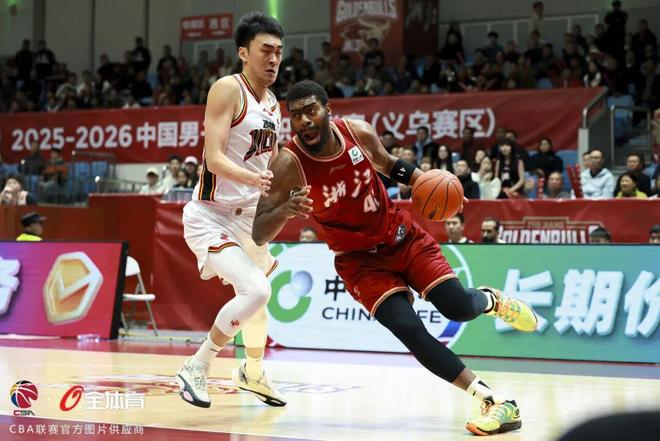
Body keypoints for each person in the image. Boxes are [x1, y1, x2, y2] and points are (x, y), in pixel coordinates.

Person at [252, 80, 538, 436]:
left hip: (401, 238)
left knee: (459, 307)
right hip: (358, 262)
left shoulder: (357, 133)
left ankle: (491, 300)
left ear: (328, 110)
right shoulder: (288, 164)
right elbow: (258, 231)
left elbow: (389, 164)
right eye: (296, 115)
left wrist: (437, 185)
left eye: (311, 110)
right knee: (409, 330)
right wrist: (286, 210)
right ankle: (493, 400)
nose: (304, 121)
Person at [175, 12, 286, 409]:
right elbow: (214, 157)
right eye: (265, 50)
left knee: (257, 301)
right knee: (257, 290)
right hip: (211, 215)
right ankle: (197, 365)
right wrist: (253, 179)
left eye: (278, 52)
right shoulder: (227, 89)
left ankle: (253, 373)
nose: (273, 59)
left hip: (249, 220)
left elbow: (273, 163)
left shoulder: (273, 104)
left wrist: (287, 194)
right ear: (243, 53)